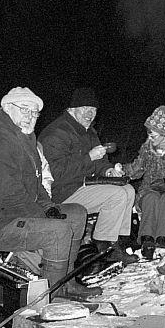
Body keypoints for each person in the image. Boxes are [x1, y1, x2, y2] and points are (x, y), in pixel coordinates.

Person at [0, 87, 100, 299]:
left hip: (10, 213)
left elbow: (36, 184)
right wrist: (44, 217)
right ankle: (49, 297)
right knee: (57, 232)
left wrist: (49, 208)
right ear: (7, 108)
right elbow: (9, 195)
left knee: (77, 213)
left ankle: (66, 283)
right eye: (24, 109)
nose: (30, 117)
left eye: (35, 112)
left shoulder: (25, 137)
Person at [39, 87, 137, 264]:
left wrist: (109, 171)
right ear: (71, 109)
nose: (90, 113)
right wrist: (89, 157)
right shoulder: (57, 133)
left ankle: (120, 242)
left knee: (128, 189)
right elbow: (56, 174)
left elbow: (99, 162)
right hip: (62, 193)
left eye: (93, 110)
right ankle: (104, 247)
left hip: (84, 185)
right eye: (85, 108)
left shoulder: (89, 131)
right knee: (117, 195)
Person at [123, 106, 165, 259]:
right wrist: (119, 170)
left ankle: (163, 241)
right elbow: (135, 169)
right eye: (149, 131)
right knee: (150, 197)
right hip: (151, 190)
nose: (149, 134)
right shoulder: (147, 148)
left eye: (152, 131)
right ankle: (146, 240)